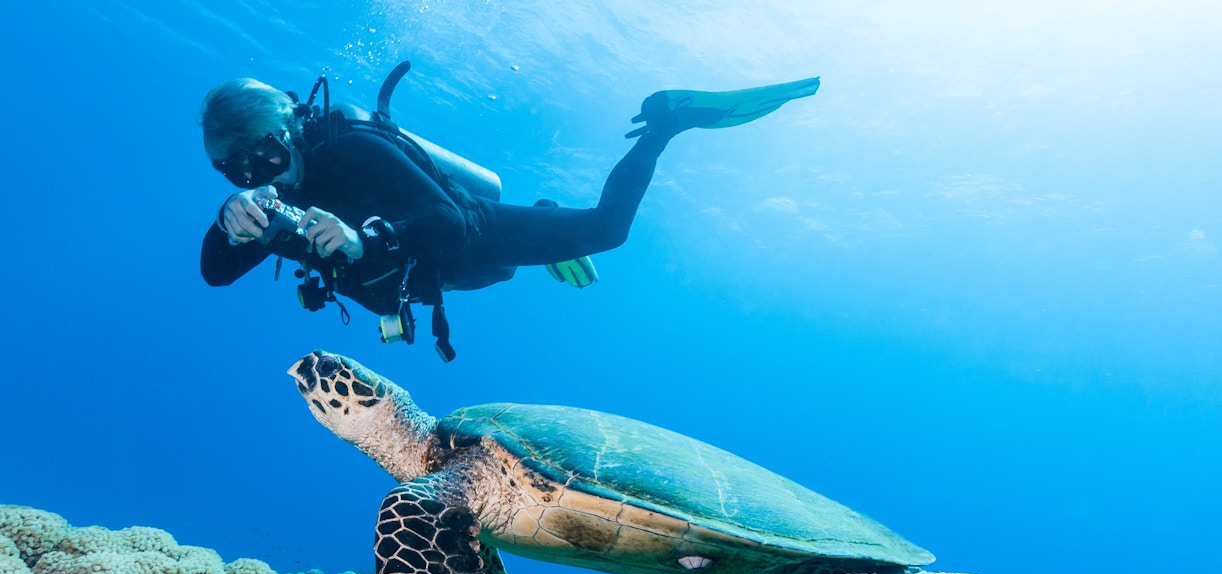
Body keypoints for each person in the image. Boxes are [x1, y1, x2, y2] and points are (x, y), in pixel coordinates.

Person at [199, 69, 819, 359]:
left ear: (291, 129)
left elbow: (443, 220)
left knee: (607, 232)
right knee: (491, 280)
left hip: (472, 233)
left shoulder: (352, 149)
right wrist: (227, 221)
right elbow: (215, 275)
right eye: (239, 173)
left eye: (269, 156)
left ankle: (668, 120)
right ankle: (542, 224)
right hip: (431, 281)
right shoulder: (265, 209)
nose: (264, 178)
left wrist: (365, 242)